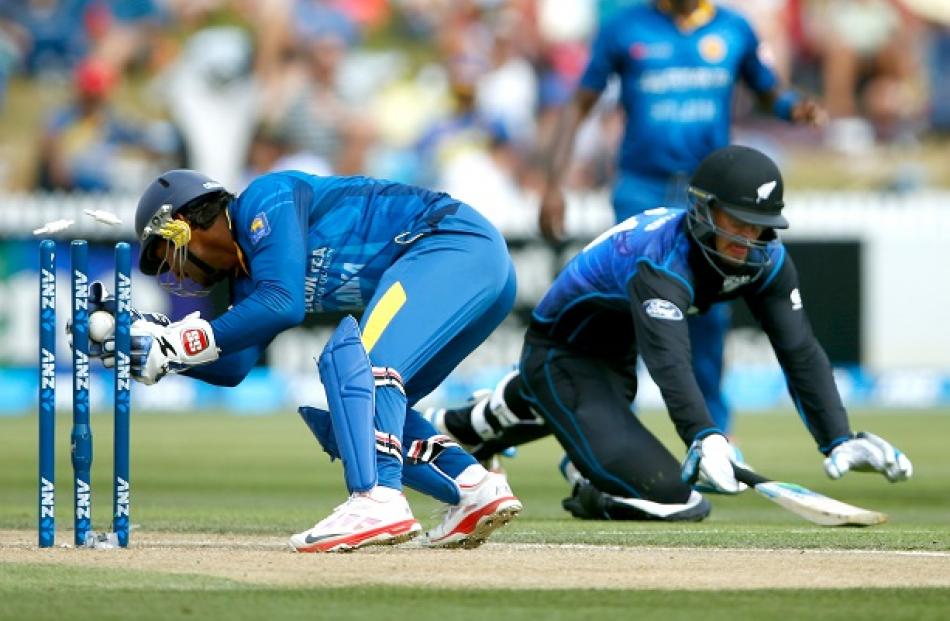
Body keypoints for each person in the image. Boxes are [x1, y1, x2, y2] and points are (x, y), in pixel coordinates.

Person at [428, 145, 912, 522]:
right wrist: (705, 436)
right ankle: (586, 478)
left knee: (617, 435)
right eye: (736, 224)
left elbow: (799, 349)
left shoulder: (765, 259)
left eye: (760, 228)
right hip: (561, 351)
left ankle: (473, 422)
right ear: (703, 210)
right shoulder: (660, 260)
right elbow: (670, 360)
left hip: (614, 353)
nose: (748, 241)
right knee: (675, 503)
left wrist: (838, 437)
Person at [87, 168, 523, 552]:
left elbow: (283, 303)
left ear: (183, 223)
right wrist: (151, 354)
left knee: (357, 367)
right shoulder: (248, 275)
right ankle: (472, 487)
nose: (175, 273)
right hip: (477, 268)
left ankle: (377, 498)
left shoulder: (265, 198)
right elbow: (237, 366)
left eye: (167, 254)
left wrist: (173, 344)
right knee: (354, 420)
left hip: (452, 244)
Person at [537, 0, 826, 435]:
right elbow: (579, 103)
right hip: (642, 187)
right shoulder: (625, 27)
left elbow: (768, 89)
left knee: (708, 314)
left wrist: (793, 108)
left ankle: (714, 438)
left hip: (712, 191)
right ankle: (612, 434)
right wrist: (553, 183)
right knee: (629, 308)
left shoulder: (733, 28)